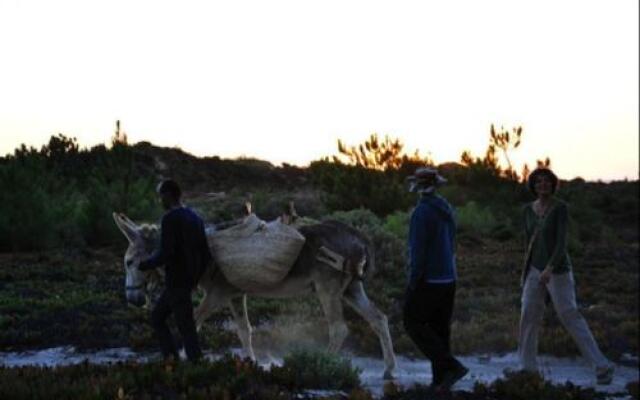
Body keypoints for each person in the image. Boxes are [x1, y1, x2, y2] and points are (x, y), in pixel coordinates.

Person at [519, 168, 614, 384]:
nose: (542, 185)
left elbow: (561, 243)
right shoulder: (527, 210)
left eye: (547, 181)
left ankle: (602, 366)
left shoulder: (560, 208)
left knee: (569, 315)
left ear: (553, 184)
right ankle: (527, 368)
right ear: (533, 185)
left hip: (558, 270)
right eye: (538, 181)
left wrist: (550, 268)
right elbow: (528, 243)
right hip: (534, 269)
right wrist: (528, 272)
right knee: (528, 316)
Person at [403, 167, 468, 390]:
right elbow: (452, 241)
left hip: (429, 279)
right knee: (440, 329)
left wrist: (413, 282)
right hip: (449, 277)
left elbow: (417, 251)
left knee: (412, 322)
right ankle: (440, 381)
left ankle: (451, 366)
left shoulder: (421, 212)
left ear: (417, 187)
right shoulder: (446, 208)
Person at [139, 179, 212, 363]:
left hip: (176, 282)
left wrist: (145, 264)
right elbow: (205, 254)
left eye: (160, 196)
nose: (159, 201)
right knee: (163, 319)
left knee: (181, 326)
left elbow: (166, 253)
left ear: (168, 195)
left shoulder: (170, 218)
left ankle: (184, 362)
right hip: (186, 282)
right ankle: (177, 359)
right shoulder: (195, 217)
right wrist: (195, 279)